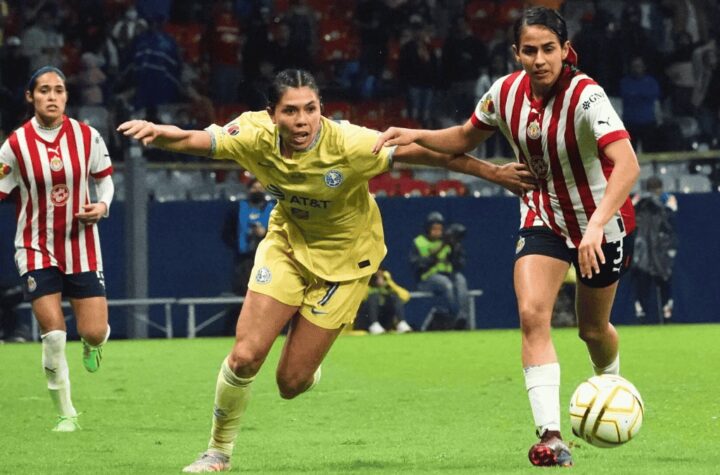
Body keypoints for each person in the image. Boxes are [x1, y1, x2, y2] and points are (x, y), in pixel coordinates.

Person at [118, 68, 536, 473]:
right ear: (271, 114)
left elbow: (426, 153)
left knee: (290, 383)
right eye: (290, 111)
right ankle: (217, 453)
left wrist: (494, 173)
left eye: (310, 109)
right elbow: (199, 139)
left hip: (346, 264)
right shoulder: (252, 133)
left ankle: (306, 361)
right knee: (244, 357)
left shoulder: (350, 143)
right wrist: (158, 133)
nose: (302, 120)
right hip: (287, 245)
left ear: (321, 108)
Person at [373, 7, 640, 467]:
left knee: (592, 330)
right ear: (516, 52)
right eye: (530, 50)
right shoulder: (503, 94)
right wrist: (413, 133)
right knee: (533, 314)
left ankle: (610, 385)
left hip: (602, 223)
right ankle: (551, 436)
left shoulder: (587, 96)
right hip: (542, 215)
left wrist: (596, 225)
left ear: (566, 50)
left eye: (549, 49)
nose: (540, 59)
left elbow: (628, 164)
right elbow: (462, 139)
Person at [0, 66, 114, 432]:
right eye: (44, 90)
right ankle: (66, 413)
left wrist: (102, 206)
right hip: (35, 246)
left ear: (66, 96)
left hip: (81, 245)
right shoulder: (15, 144)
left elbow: (105, 181)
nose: (52, 96)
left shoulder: (87, 136)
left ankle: (93, 344)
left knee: (93, 331)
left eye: (59, 90)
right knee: (53, 333)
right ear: (30, 96)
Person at [220, 178, 274, 335]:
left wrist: (265, 233)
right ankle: (234, 331)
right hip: (244, 261)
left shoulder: (274, 210)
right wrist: (238, 246)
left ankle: (266, 331)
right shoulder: (237, 209)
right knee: (241, 295)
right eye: (254, 188)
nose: (257, 191)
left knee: (267, 295)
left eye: (260, 187)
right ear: (248, 190)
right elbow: (226, 233)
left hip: (268, 261)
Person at [410, 212, 471, 330]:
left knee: (461, 280)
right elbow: (418, 266)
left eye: (440, 229)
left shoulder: (448, 241)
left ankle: (462, 318)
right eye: (434, 229)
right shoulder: (419, 242)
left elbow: (459, 264)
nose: (437, 232)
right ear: (428, 229)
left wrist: (454, 247)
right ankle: (454, 317)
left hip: (448, 275)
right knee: (446, 284)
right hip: (427, 279)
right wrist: (439, 249)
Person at [631, 176, 678, 323]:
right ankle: (642, 313)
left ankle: (666, 312)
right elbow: (630, 214)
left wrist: (665, 203)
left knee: (664, 281)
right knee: (642, 285)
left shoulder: (668, 200)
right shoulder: (639, 200)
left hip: (661, 251)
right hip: (643, 252)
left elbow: (671, 217)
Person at [358, 267, 412, 335]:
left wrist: (389, 282)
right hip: (367, 318)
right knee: (373, 297)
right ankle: (374, 325)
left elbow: (406, 296)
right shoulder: (367, 286)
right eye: (376, 274)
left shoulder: (387, 286)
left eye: (381, 274)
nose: (379, 277)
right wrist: (368, 281)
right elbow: (360, 298)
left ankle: (401, 323)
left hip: (384, 317)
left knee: (394, 296)